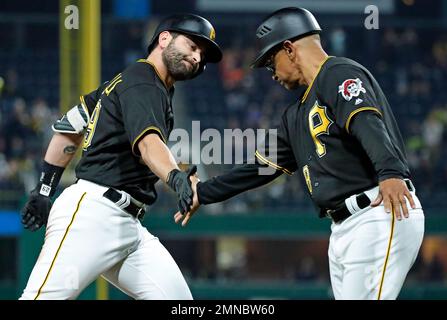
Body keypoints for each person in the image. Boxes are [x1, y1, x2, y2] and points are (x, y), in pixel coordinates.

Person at [175, 7, 425, 300]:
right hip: (344, 227)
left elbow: (366, 120)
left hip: (380, 209)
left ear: (289, 48)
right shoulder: (295, 115)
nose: (271, 74)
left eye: (271, 62)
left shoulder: (339, 72)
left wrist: (391, 171)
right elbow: (260, 169)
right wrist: (202, 192)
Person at [20, 13, 222, 300]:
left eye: (202, 55)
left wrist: (44, 190)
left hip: (128, 227)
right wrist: (176, 177)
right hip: (92, 216)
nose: (197, 57)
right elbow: (148, 144)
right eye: (192, 45)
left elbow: (69, 130)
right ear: (164, 39)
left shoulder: (125, 83)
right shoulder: (144, 82)